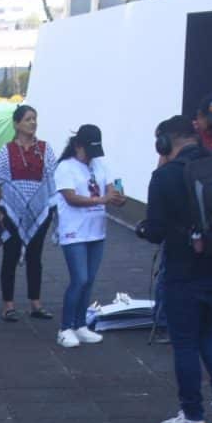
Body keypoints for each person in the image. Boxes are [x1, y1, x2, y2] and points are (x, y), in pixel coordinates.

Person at [137, 116, 212, 423]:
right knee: (209, 331)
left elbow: (155, 229)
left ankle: (193, 416)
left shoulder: (166, 176)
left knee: (184, 341)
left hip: (184, 271)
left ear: (165, 143)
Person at [50, 125, 126, 347]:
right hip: (74, 231)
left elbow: (111, 189)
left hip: (96, 230)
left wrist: (117, 198)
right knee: (79, 279)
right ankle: (65, 328)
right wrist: (101, 200)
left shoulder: (99, 164)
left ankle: (80, 324)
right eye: (88, 150)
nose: (92, 156)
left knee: (89, 280)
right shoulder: (65, 167)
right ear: (77, 146)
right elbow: (71, 197)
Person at [0, 105, 56, 324]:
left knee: (35, 257)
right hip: (12, 211)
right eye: (28, 119)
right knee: (10, 255)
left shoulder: (45, 149)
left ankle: (35, 303)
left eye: (34, 119)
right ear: (17, 123)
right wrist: (0, 208)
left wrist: (50, 206)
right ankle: (7, 305)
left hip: (39, 211)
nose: (33, 123)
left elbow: (53, 178)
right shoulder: (7, 150)